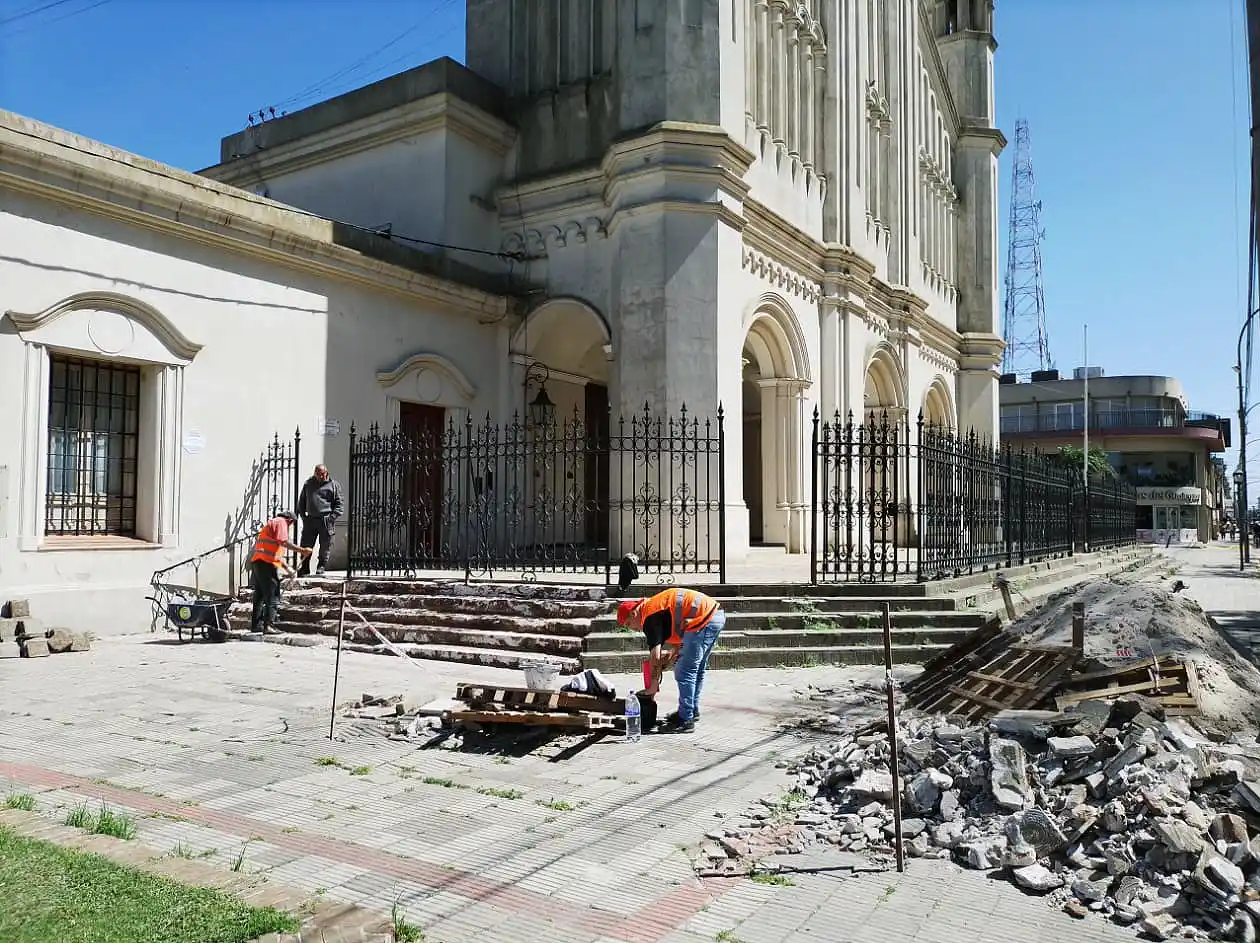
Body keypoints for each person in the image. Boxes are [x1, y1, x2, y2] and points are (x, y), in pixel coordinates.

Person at [616, 587, 727, 734]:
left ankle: (685, 720)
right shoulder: (653, 607)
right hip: (714, 615)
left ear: (634, 612)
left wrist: (652, 688)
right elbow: (677, 630)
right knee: (696, 669)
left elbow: (655, 657)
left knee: (684, 671)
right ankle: (690, 711)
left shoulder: (649, 617)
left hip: (704, 618)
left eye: (629, 624)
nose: (633, 629)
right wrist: (671, 654)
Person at [250, 511, 311, 634]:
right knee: (273, 595)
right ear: (290, 520)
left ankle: (256, 625)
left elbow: (275, 554)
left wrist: (288, 568)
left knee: (260, 596)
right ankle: (269, 625)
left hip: (259, 562)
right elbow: (283, 541)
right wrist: (302, 550)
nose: (289, 527)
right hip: (266, 564)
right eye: (291, 524)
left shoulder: (272, 524)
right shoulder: (281, 522)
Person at [296, 464, 344, 576]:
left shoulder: (333, 485)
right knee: (306, 544)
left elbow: (339, 504)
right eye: (317, 474)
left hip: (326, 520)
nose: (319, 476)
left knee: (325, 546)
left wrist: (332, 518)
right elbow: (301, 501)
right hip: (310, 520)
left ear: (326, 473)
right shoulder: (308, 484)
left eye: (321, 474)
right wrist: (303, 517)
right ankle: (305, 567)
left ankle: (321, 566)